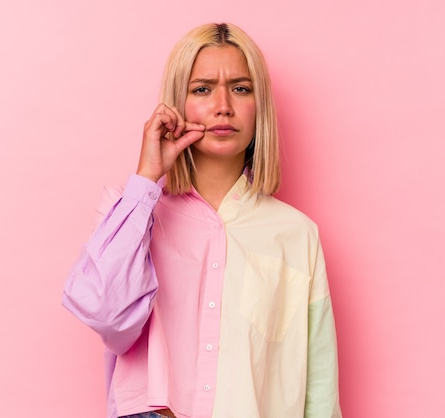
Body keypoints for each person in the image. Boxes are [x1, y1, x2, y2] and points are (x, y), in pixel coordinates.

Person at [62, 22, 342, 418]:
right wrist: (146, 181)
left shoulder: (296, 235)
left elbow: (320, 391)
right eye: (202, 89)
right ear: (177, 103)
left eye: (241, 88)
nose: (223, 105)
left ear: (259, 105)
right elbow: (107, 316)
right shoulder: (133, 217)